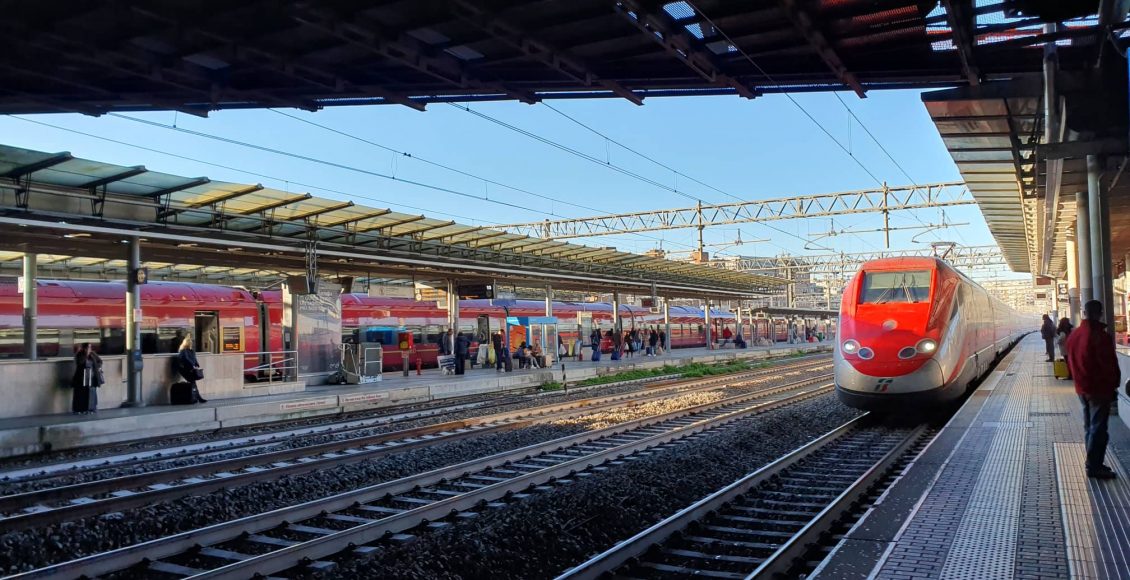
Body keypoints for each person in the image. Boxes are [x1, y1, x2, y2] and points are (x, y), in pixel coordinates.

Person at [1065, 300, 1120, 479]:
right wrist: (1113, 385)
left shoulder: (1074, 335)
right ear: (1099, 313)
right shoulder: (1098, 336)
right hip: (1099, 389)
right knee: (1098, 429)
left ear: (1084, 312)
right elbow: (1107, 365)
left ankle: (1092, 462)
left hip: (1082, 388)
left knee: (1090, 427)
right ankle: (1094, 466)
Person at [71, 343, 102, 414]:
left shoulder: (93, 354)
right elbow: (80, 363)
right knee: (81, 393)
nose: (89, 349)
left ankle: (91, 408)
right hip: (81, 377)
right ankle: (80, 409)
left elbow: (99, 361)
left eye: (90, 347)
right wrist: (86, 355)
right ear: (84, 348)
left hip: (92, 376)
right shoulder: (80, 354)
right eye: (87, 348)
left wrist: (97, 367)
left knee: (92, 392)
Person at [176, 337, 208, 403]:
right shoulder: (183, 351)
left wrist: (196, 364)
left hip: (190, 369)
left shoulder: (191, 351)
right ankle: (198, 398)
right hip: (186, 370)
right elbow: (186, 359)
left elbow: (194, 359)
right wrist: (192, 365)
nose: (192, 344)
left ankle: (195, 398)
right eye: (190, 343)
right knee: (193, 383)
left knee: (193, 383)